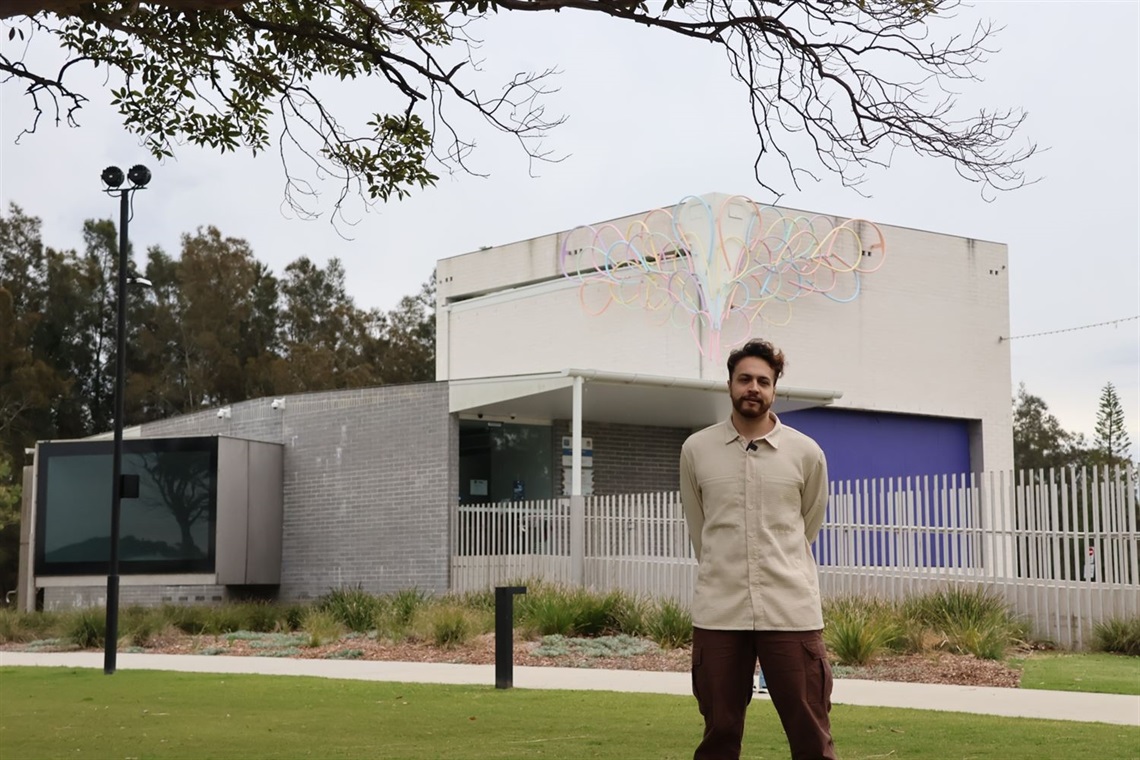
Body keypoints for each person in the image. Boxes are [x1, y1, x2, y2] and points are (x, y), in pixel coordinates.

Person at [679, 338, 835, 760]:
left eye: (763, 381)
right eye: (744, 378)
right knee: (719, 735)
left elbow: (807, 525)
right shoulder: (696, 450)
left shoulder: (806, 453)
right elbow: (701, 529)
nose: (753, 388)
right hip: (720, 611)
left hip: (790, 611)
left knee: (810, 733)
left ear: (774, 389)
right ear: (729, 384)